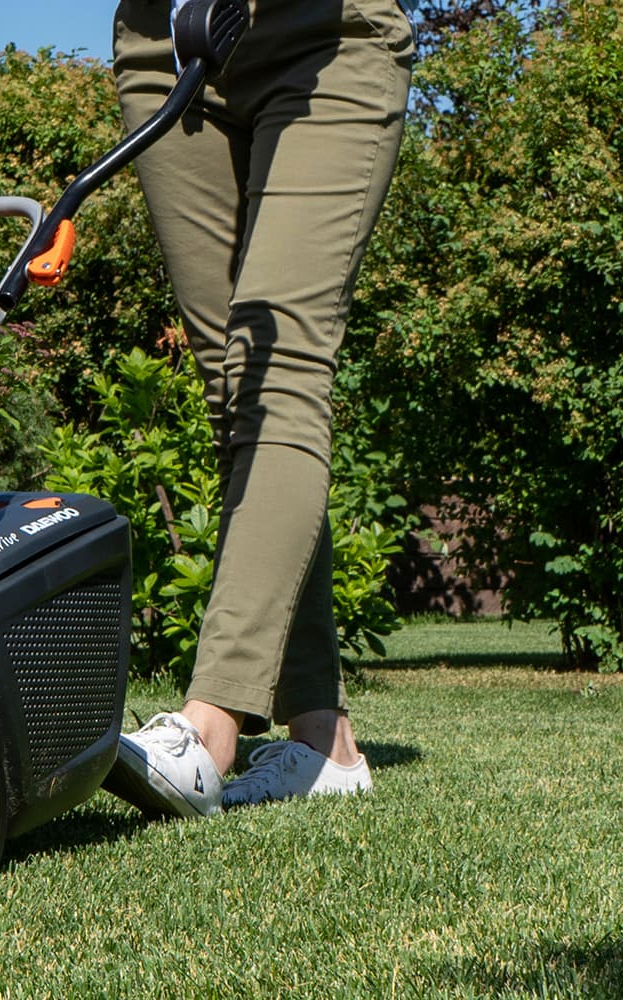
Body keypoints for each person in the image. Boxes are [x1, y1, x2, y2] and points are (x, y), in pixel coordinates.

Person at [102, 0, 416, 816]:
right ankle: (324, 741)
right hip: (164, 39)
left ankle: (210, 724)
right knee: (235, 390)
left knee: (281, 365)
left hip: (322, 37)